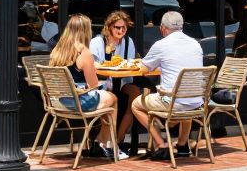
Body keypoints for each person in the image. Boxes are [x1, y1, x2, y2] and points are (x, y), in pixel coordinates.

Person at [48, 14, 124, 159]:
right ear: (85, 30)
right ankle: (102, 143)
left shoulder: (57, 50)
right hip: (77, 102)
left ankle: (99, 142)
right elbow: (93, 85)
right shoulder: (83, 52)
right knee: (112, 98)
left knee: (105, 96)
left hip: (57, 101)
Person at [131, 10, 204, 160]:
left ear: (163, 28)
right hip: (196, 101)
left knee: (136, 104)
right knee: (185, 98)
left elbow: (144, 69)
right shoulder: (195, 44)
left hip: (171, 102)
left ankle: (161, 144)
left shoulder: (161, 45)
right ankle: (183, 145)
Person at [89, 10, 141, 150]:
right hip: (102, 83)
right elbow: (93, 66)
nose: (121, 30)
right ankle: (102, 140)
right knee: (111, 94)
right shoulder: (97, 42)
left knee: (136, 94)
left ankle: (117, 139)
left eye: (123, 27)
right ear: (109, 27)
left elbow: (129, 64)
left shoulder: (128, 42)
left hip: (123, 81)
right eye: (117, 27)